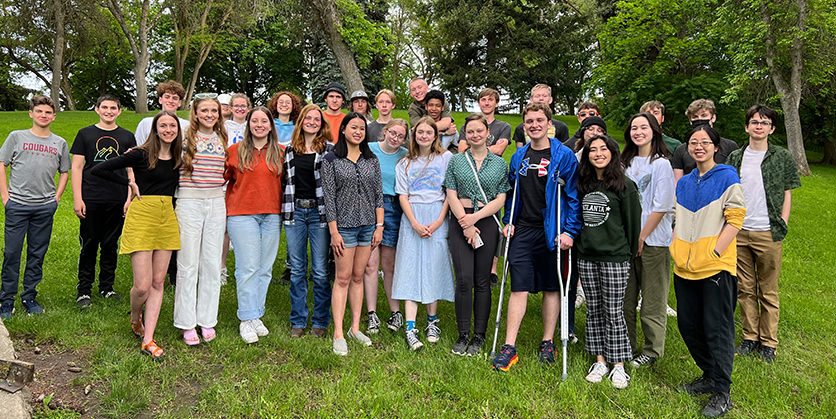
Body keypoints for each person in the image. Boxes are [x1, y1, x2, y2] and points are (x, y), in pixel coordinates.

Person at [491, 102, 580, 371]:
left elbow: (574, 197)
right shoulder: (519, 157)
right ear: (524, 125)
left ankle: (547, 341)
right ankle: (509, 346)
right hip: (524, 229)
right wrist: (508, 222)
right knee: (518, 286)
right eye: (529, 121)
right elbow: (512, 195)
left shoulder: (563, 156)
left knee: (552, 287)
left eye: (539, 120)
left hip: (552, 230)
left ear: (549, 123)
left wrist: (570, 231)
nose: (534, 125)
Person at [91, 110, 184, 359]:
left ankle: (148, 338)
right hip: (142, 214)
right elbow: (99, 170)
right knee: (142, 286)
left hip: (167, 217)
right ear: (155, 129)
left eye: (172, 126)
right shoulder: (141, 154)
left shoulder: (178, 157)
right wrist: (129, 184)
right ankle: (135, 317)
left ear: (177, 130)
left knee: (158, 282)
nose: (168, 130)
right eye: (163, 125)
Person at [671, 124, 745, 418]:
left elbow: (736, 218)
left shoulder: (727, 176)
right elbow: (678, 218)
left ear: (716, 147)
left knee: (717, 329)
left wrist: (716, 250)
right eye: (693, 142)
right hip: (684, 267)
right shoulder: (685, 182)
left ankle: (722, 392)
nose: (698, 146)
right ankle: (709, 374)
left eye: (704, 142)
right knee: (688, 326)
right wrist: (677, 249)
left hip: (715, 267)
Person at [726, 105, 801, 363]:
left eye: (765, 122)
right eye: (755, 122)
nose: (759, 126)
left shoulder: (780, 156)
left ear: (772, 128)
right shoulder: (735, 157)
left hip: (768, 231)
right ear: (747, 127)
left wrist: (782, 222)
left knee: (767, 289)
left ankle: (769, 343)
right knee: (745, 288)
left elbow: (788, 192)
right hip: (739, 231)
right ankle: (750, 337)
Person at [575, 135, 641, 389]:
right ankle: (600, 360)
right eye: (593, 150)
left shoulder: (625, 186)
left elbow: (632, 224)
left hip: (615, 257)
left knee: (613, 312)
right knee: (594, 310)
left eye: (604, 149)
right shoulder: (584, 184)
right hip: (588, 256)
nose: (598, 153)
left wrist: (627, 251)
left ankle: (618, 365)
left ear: (613, 153)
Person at [0, 95, 70, 319]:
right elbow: (1, 164)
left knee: (36, 253)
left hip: (44, 207)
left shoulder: (59, 143)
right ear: (31, 114)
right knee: (12, 252)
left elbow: (65, 171)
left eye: (48, 112)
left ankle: (29, 296)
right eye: (39, 111)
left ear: (54, 117)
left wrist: (56, 199)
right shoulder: (16, 137)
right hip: (17, 205)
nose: (43, 115)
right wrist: (5, 197)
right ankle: (6, 299)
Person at [444, 114, 509, 356]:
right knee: (463, 280)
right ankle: (463, 334)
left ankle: (479, 335)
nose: (475, 135)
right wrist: (465, 222)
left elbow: (501, 198)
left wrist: (475, 218)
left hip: (487, 221)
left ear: (487, 133)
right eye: (470, 131)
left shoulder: (499, 163)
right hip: (461, 220)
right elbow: (451, 192)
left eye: (479, 131)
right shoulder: (456, 161)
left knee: (482, 281)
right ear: (465, 135)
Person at [321, 112, 384, 355]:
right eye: (353, 127)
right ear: (344, 130)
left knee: (359, 276)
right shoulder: (331, 159)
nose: (358, 132)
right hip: (344, 227)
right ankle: (338, 332)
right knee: (343, 278)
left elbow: (379, 194)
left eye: (361, 128)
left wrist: (379, 226)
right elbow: (329, 198)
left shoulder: (372, 160)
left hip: (368, 226)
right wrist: (334, 232)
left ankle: (355, 328)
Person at [391, 116, 455, 351]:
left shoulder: (446, 158)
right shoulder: (405, 163)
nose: (424, 136)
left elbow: (450, 192)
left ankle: (431, 321)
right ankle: (410, 327)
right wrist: (415, 223)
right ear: (414, 136)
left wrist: (439, 220)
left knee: (433, 266)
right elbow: (403, 196)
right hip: (412, 218)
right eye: (420, 133)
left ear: (435, 136)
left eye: (429, 132)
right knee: (410, 267)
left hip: (437, 215)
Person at [70, 94, 136, 308]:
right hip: (91, 197)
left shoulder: (127, 136)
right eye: (105, 107)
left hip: (116, 198)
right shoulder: (85, 134)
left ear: (119, 111)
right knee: (89, 244)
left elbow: (130, 170)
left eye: (113, 108)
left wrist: (129, 198)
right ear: (97, 109)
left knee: (110, 245)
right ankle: (84, 291)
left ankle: (107, 287)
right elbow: (77, 167)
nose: (109, 111)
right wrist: (78, 198)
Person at [225, 106, 284, 344]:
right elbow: (220, 179)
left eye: (264, 121)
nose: (259, 125)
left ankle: (256, 314)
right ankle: (246, 318)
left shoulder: (281, 152)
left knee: (265, 268)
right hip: (242, 214)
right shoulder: (235, 151)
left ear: (271, 125)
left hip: (272, 215)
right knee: (247, 267)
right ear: (248, 125)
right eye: (254, 121)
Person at [620, 113, 675, 369]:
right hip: (626, 242)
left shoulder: (661, 164)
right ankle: (627, 345)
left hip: (654, 242)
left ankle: (652, 350)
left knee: (652, 299)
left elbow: (662, 205)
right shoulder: (624, 162)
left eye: (643, 127)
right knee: (626, 299)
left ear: (654, 130)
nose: (638, 131)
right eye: (634, 127)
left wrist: (641, 237)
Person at [174, 94, 228, 345]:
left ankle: (207, 319)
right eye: (204, 110)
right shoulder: (183, 137)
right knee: (188, 263)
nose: (209, 114)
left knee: (211, 262)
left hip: (216, 201)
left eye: (214, 111)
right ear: (195, 113)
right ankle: (186, 322)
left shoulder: (222, 137)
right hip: (189, 201)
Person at [282, 104, 334, 339]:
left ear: (322, 124)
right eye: (308, 118)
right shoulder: (289, 150)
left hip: (319, 215)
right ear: (301, 120)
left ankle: (321, 321)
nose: (312, 122)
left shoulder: (330, 151)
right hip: (294, 213)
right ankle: (298, 320)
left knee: (321, 270)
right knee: (297, 269)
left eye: (317, 119)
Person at [363, 119, 409, 334]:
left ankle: (395, 312)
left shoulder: (405, 155)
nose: (395, 138)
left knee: (389, 266)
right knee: (370, 265)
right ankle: (372, 314)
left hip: (394, 207)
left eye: (400, 136)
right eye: (392, 133)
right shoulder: (370, 149)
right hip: (370, 206)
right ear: (385, 131)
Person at [671, 99, 739, 182]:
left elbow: (737, 177)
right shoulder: (681, 150)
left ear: (713, 117)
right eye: (695, 117)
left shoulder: (729, 146)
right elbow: (678, 183)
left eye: (704, 115)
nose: (699, 119)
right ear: (690, 121)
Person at [512, 84, 570, 149]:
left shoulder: (561, 127)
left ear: (550, 99)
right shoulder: (521, 128)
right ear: (531, 99)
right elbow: (519, 153)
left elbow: (564, 152)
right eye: (537, 96)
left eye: (545, 96)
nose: (541, 99)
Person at [457, 88, 511, 156]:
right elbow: (462, 151)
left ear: (496, 103)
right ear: (479, 103)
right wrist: (490, 148)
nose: (486, 103)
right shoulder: (468, 126)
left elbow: (498, 150)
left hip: (493, 165)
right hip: (470, 165)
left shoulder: (504, 127)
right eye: (483, 100)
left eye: (490, 100)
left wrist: (471, 149)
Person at [135, 80, 189, 146]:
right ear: (160, 100)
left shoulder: (187, 125)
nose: (170, 101)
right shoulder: (146, 123)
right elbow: (138, 146)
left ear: (179, 103)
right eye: (167, 97)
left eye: (175, 98)